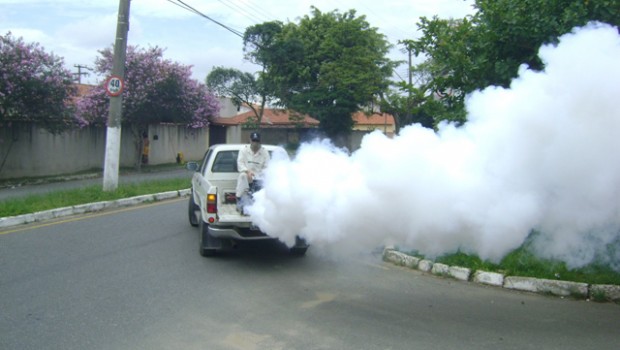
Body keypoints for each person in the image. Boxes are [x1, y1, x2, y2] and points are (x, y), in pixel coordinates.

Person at [236, 132, 270, 213]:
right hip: (246, 175)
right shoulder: (243, 150)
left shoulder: (265, 152)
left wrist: (260, 175)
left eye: (257, 141)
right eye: (253, 141)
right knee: (242, 176)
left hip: (260, 177)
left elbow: (267, 167)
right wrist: (248, 171)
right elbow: (240, 163)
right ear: (250, 140)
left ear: (260, 141)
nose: (255, 143)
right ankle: (240, 202)